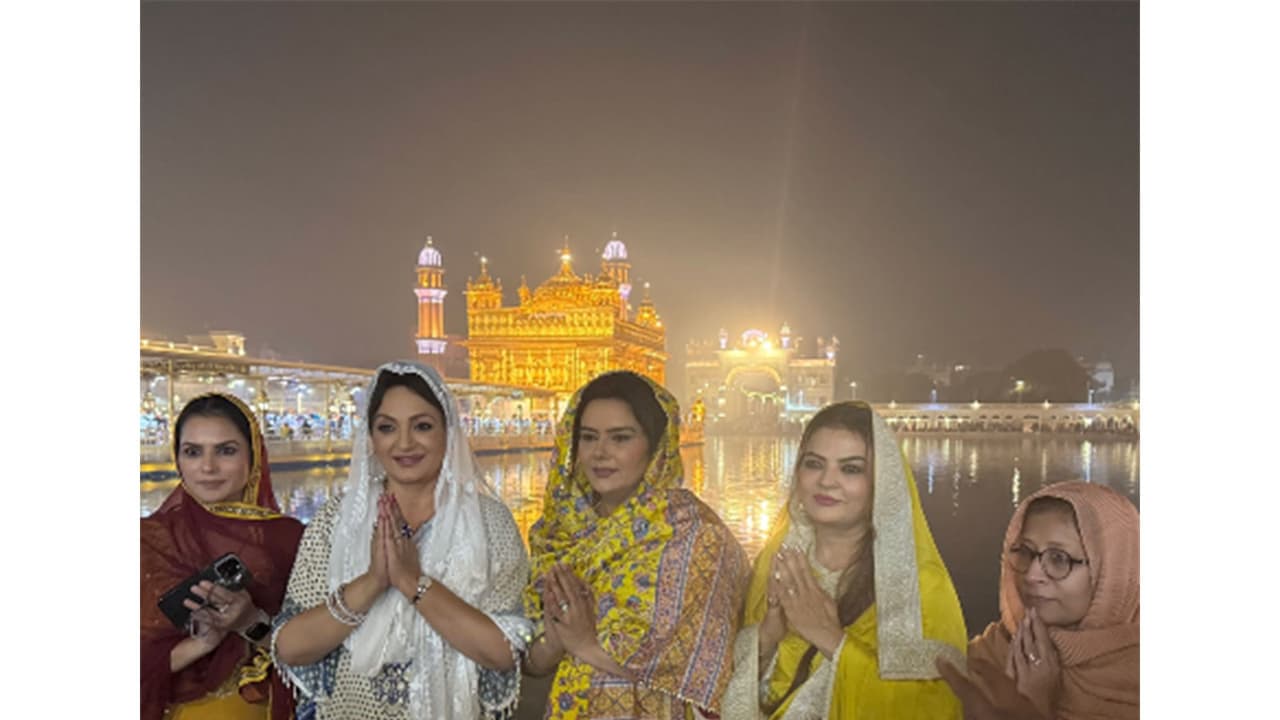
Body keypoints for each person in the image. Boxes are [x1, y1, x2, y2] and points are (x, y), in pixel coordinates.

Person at [272, 361, 532, 718]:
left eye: (422, 426)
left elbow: (504, 652)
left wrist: (413, 583)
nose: (404, 443)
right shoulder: (337, 520)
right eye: (387, 428)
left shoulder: (488, 523)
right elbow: (291, 646)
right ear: (371, 437)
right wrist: (373, 582)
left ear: (449, 432)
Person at [522, 371, 748, 719]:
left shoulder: (693, 535)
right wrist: (554, 642)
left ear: (655, 445)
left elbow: (696, 672)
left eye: (620, 438)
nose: (600, 453)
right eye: (588, 437)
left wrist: (583, 644)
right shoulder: (558, 535)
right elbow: (532, 662)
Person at [722, 401, 968, 719]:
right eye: (814, 464)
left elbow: (933, 707)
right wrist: (766, 638)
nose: (827, 481)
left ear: (881, 483)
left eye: (850, 468)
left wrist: (829, 638)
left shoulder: (919, 587)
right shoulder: (781, 564)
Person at [141, 393, 305, 720]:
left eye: (226, 451)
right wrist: (201, 645)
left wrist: (250, 622)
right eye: (192, 452)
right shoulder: (149, 540)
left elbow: (318, 656)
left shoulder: (290, 540)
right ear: (178, 459)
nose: (208, 467)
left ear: (254, 455)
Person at [939, 481, 1139, 720]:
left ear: (1113, 570)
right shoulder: (996, 651)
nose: (1031, 575)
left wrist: (1032, 706)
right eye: (1025, 552)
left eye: (1058, 558)